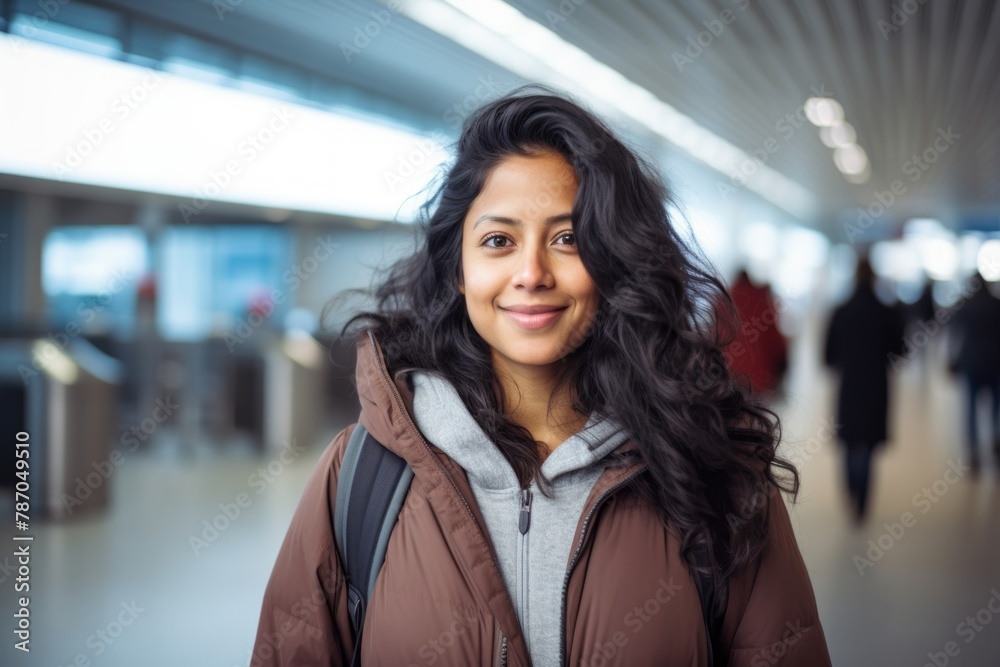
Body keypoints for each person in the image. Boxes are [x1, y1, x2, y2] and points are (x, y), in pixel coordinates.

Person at [252, 86, 832, 666]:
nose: (531, 273)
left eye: (568, 239)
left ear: (614, 261)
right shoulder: (362, 478)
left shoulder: (714, 472)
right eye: (498, 241)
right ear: (458, 268)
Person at [823, 256, 905, 524]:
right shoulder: (886, 311)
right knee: (868, 444)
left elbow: (828, 356)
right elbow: (900, 350)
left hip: (849, 385)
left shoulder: (841, 311)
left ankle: (850, 491)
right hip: (876, 385)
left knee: (848, 441)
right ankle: (863, 502)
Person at [948, 271, 1000, 472]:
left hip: (971, 363)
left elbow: (954, 334)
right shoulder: (997, 304)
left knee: (970, 409)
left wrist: (951, 359)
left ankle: (973, 452)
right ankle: (995, 439)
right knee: (995, 408)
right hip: (995, 362)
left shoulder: (965, 305)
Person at [718, 269, 789, 404]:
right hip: (757, 381)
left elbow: (713, 338)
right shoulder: (760, 300)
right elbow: (775, 342)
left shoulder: (722, 299)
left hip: (727, 377)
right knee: (753, 421)